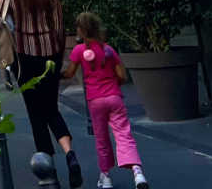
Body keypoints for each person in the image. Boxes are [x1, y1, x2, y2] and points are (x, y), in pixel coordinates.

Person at [0, 0, 82, 188]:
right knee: (51, 108)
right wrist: (58, 54)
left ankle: (48, 170)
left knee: (35, 113)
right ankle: (70, 154)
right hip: (50, 55)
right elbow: (59, 26)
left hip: (24, 57)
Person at [63, 13, 148, 189]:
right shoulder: (109, 50)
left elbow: (69, 73)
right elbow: (122, 76)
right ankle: (138, 173)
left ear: (80, 30)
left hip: (95, 101)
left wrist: (55, 74)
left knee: (102, 139)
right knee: (124, 134)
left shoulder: (79, 51)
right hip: (114, 98)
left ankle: (106, 177)